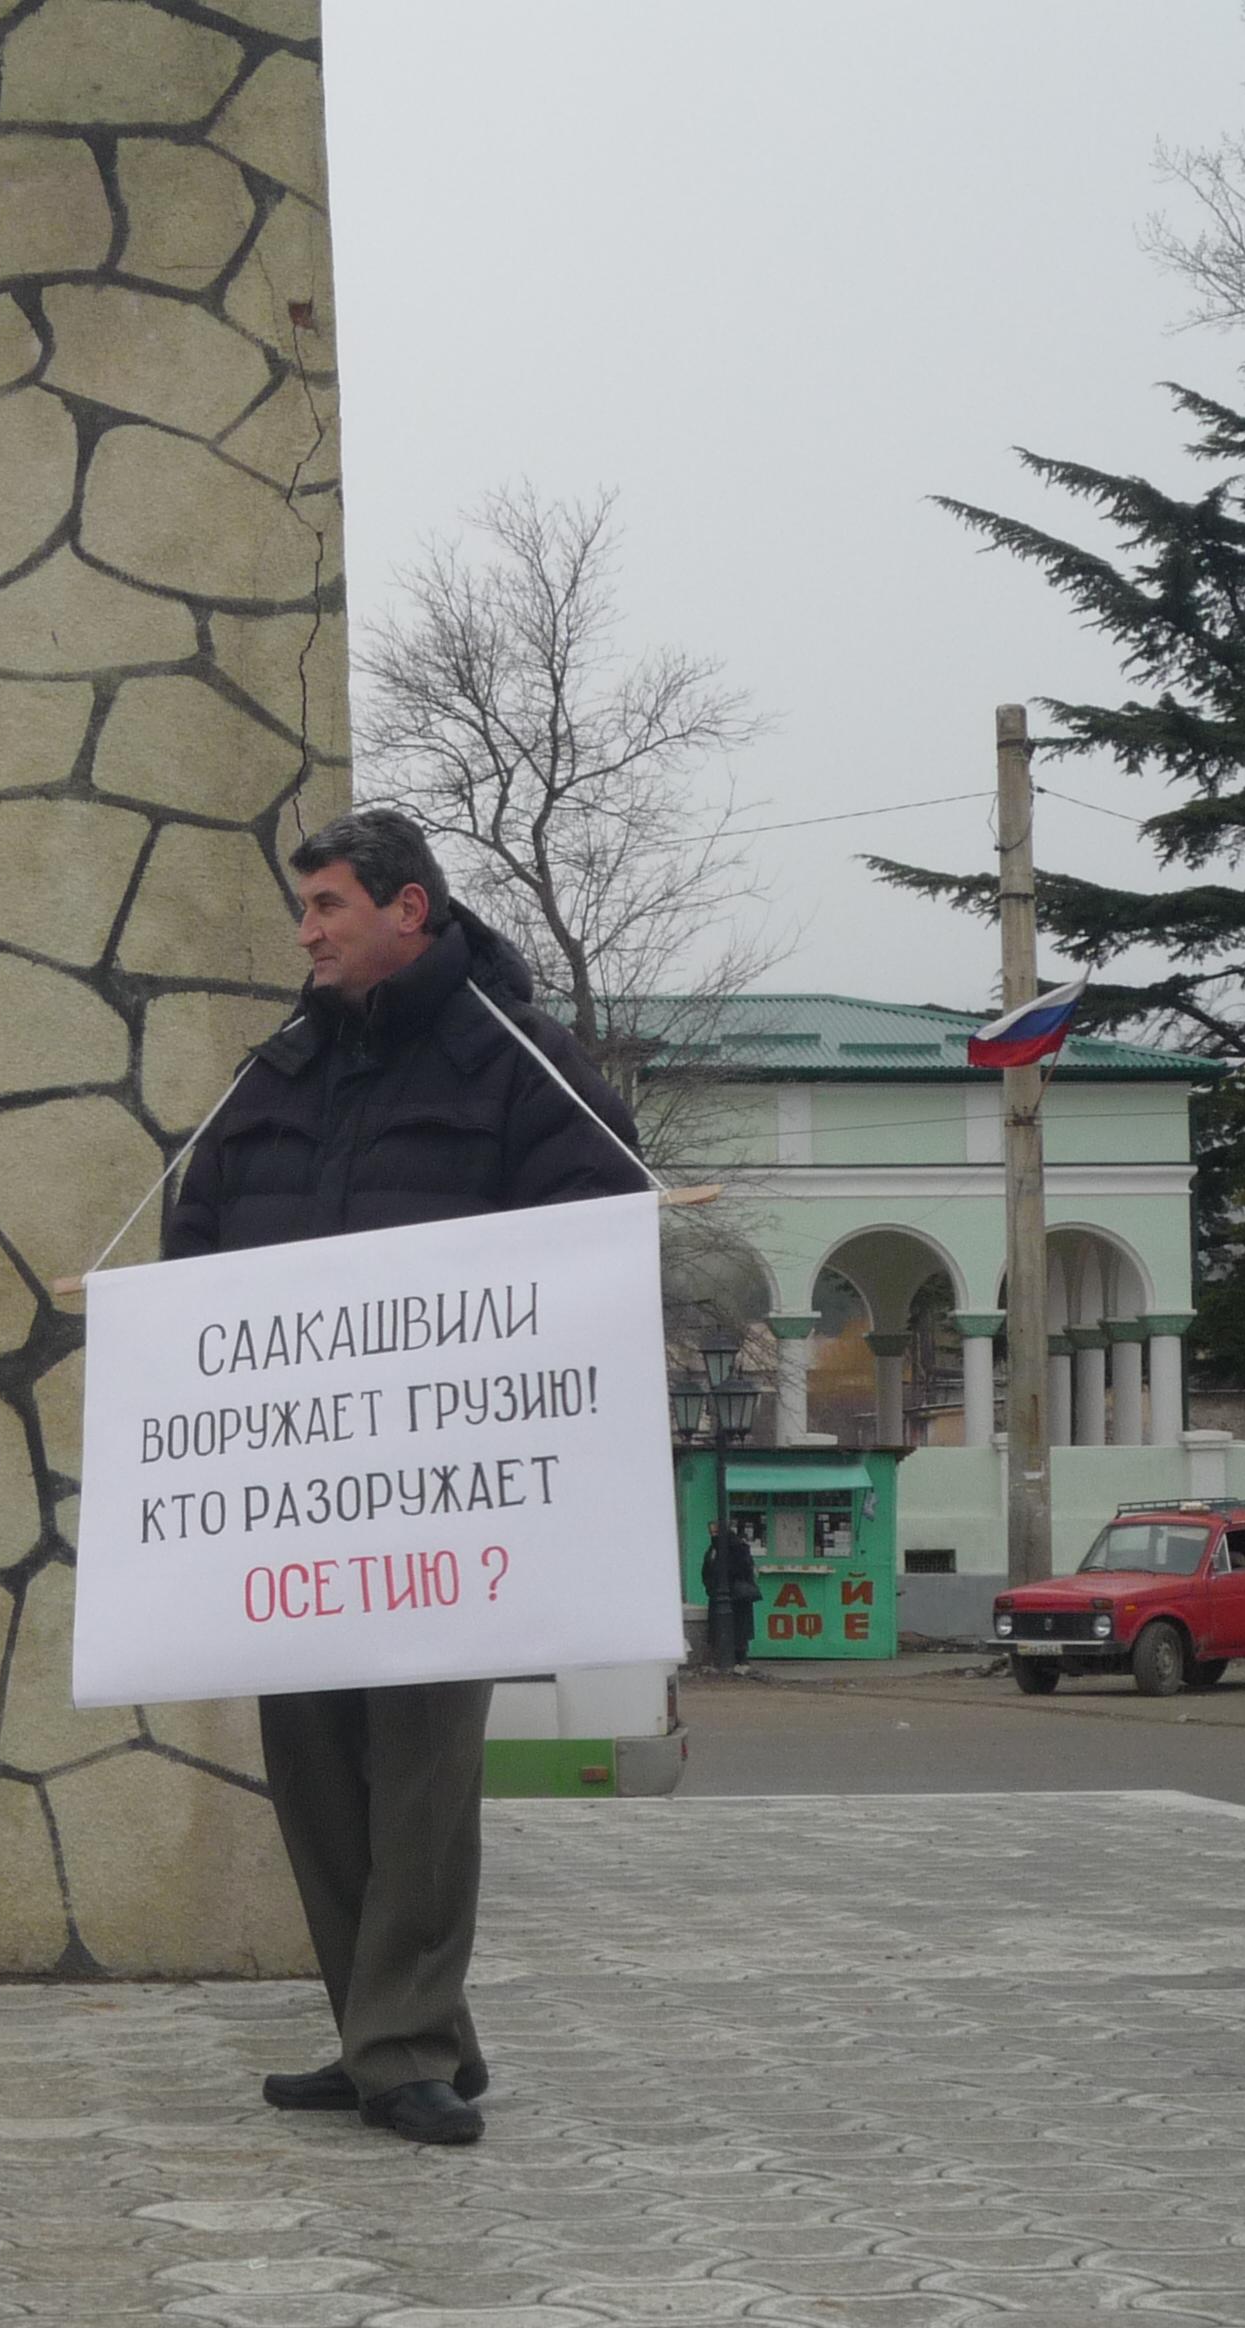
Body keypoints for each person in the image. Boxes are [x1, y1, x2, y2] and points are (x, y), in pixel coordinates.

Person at [164, 805, 648, 2148]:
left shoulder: (516, 1060)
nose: (305, 935)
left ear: (408, 909)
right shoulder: (277, 1071)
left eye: (327, 906)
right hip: (297, 1484)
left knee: (422, 1770)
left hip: (449, 1485)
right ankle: (385, 2030)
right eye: (304, 908)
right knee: (317, 1770)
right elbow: (195, 1229)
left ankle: (406, 2045)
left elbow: (605, 1218)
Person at [701, 1519, 761, 1671]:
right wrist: (710, 1587)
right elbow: (706, 1570)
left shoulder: (737, 1547)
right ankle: (726, 1659)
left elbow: (742, 1568)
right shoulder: (713, 1549)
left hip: (737, 1597)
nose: (713, 1535)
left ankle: (740, 1659)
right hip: (718, 1595)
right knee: (721, 1630)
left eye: (716, 1532)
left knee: (739, 1630)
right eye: (711, 1532)